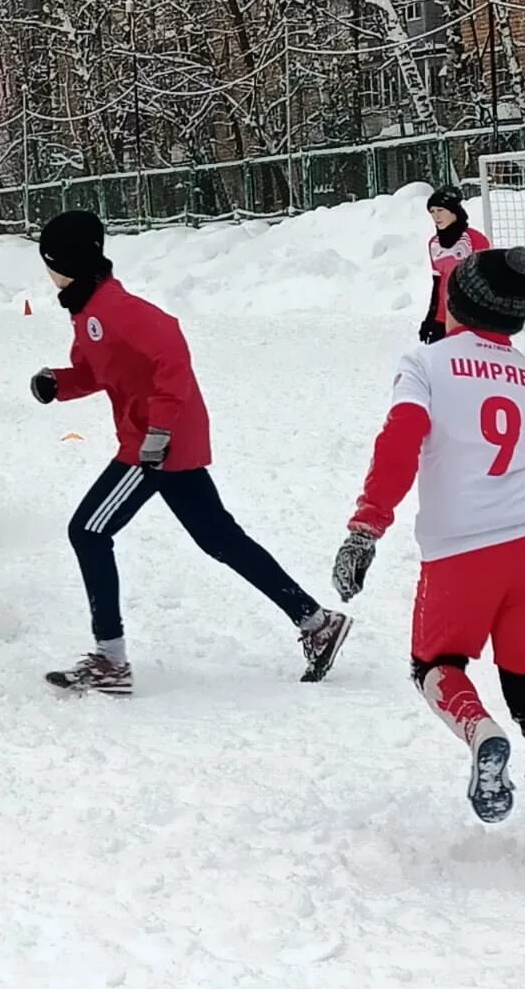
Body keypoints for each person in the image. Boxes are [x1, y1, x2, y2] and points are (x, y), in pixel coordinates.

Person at [332, 247, 525, 877]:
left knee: (435, 664)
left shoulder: (425, 362)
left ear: (456, 302)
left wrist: (366, 526)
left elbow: (399, 443)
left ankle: (480, 732)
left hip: (462, 549)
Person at [30, 211, 351, 697]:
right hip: (160, 440)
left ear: (68, 263)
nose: (47, 271)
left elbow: (171, 350)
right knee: (220, 539)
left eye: (49, 262)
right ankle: (316, 622)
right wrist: (61, 382)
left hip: (156, 444)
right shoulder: (90, 311)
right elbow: (102, 371)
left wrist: (159, 428)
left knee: (88, 531)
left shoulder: (113, 308)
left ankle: (111, 661)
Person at [423, 187, 490, 345]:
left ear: (454, 211)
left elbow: (486, 282)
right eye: (432, 211)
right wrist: (431, 317)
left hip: (470, 318)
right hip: (443, 317)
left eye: (440, 210)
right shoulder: (434, 244)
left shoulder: (475, 239)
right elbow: (438, 283)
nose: (436, 216)